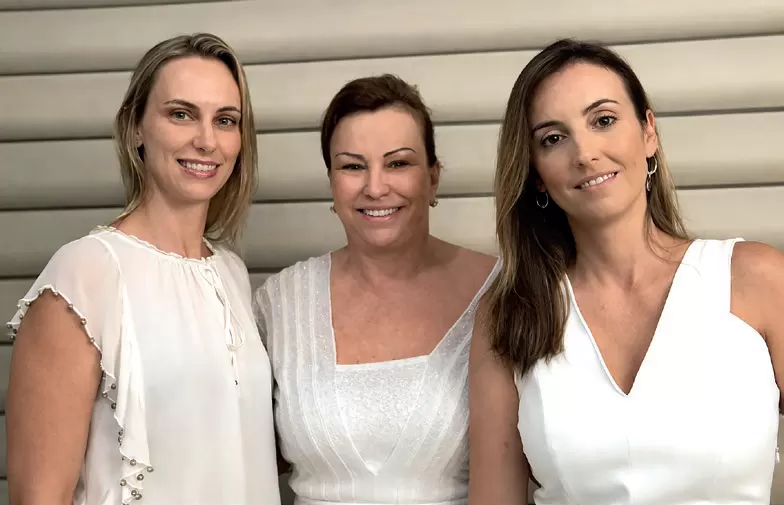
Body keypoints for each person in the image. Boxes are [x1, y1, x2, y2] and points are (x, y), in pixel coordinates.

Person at [468, 39, 782, 504]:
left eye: (603, 120)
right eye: (553, 138)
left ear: (648, 132)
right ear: (536, 173)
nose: (585, 153)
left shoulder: (757, 279)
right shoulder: (511, 313)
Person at [5, 33, 281, 504]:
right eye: (181, 114)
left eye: (225, 120)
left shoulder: (231, 273)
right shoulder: (84, 274)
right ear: (135, 127)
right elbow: (39, 496)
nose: (206, 141)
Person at [253, 74, 499, 504]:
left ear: (433, 178)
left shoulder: (499, 292)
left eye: (398, 163)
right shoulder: (280, 304)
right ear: (332, 183)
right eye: (353, 166)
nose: (375, 187)